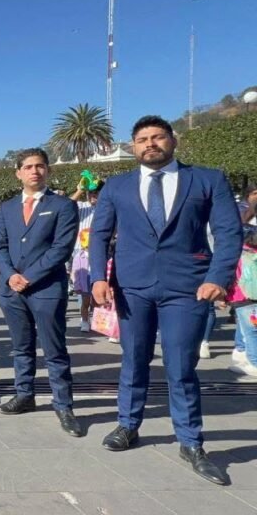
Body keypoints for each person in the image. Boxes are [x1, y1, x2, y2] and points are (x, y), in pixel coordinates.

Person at [90, 115, 242, 486]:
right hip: (132, 288)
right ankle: (128, 425)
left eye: (158, 137)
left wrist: (217, 279)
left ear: (173, 141)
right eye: (142, 139)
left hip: (187, 288)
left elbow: (228, 232)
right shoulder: (117, 186)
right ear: (134, 146)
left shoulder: (207, 180)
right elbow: (99, 234)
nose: (150, 144)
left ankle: (190, 441)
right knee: (134, 359)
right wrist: (97, 277)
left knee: (180, 366)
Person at [0, 148, 82, 436]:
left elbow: (61, 249)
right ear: (18, 172)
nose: (34, 171)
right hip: (12, 291)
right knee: (21, 348)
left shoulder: (63, 206)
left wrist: (28, 277)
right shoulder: (5, 209)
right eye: (28, 166)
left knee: (54, 351)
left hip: (45, 289)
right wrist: (10, 276)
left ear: (48, 170)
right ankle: (24, 394)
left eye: (40, 166)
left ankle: (64, 405)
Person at [69, 179, 105, 333]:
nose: (93, 196)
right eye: (91, 193)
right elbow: (67, 205)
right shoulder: (81, 207)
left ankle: (99, 321)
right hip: (81, 255)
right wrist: (80, 190)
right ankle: (84, 320)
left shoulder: (106, 208)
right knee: (84, 294)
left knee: (99, 291)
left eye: (96, 193)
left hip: (101, 253)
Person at [226, 230, 257, 376]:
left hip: (243, 299)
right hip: (254, 299)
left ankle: (254, 363)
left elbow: (232, 277)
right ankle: (245, 356)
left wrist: (224, 298)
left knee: (250, 332)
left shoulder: (239, 255)